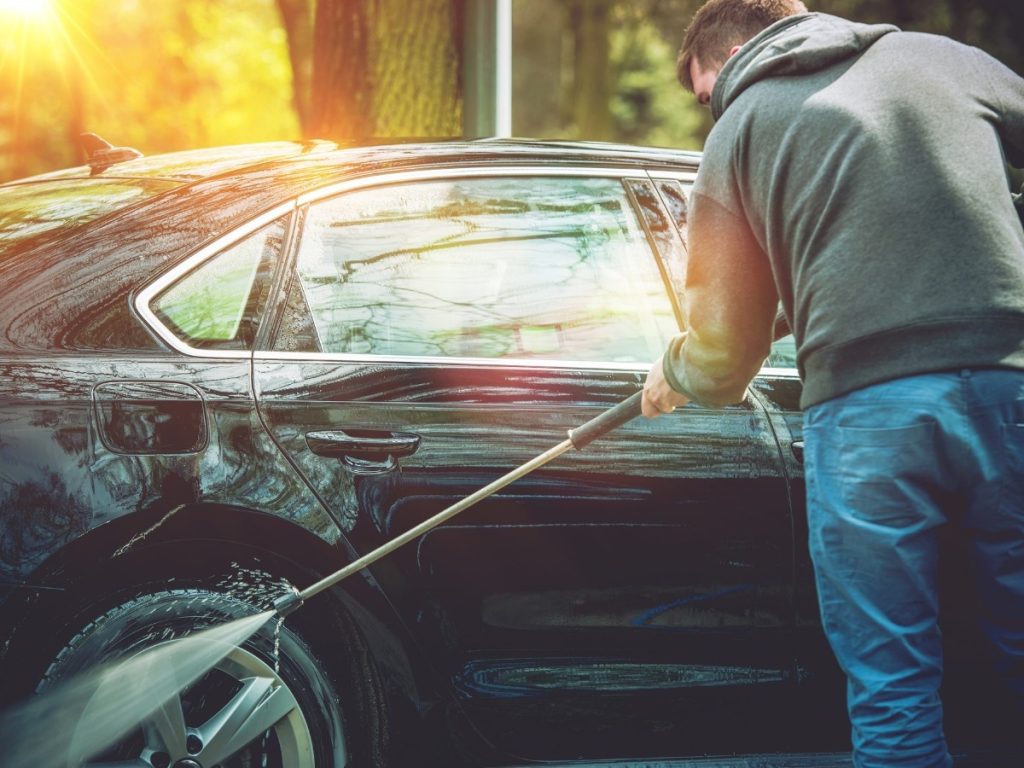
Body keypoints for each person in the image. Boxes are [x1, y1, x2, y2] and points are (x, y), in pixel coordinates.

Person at [640, 1, 1024, 766]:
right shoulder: (939, 59)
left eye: (707, 88)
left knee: (895, 689)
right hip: (1009, 384)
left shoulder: (740, 130)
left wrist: (675, 369)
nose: (713, 105)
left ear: (740, 49)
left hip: (868, 416)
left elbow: (723, 355)